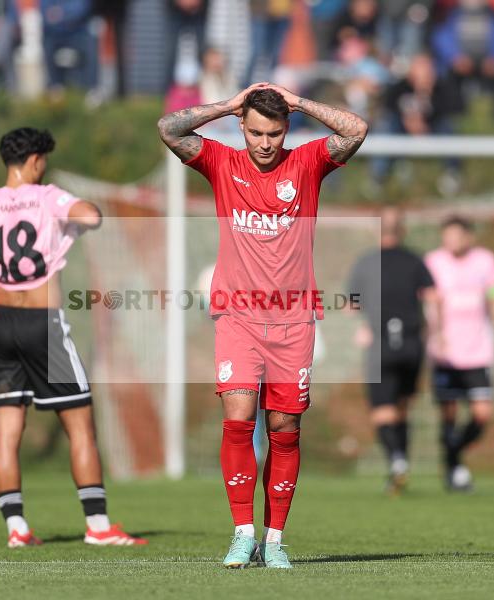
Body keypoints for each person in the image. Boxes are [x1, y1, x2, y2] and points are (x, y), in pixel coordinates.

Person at [158, 83, 367, 568]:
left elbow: (356, 129)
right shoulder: (222, 162)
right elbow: (169, 128)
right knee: (237, 418)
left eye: (274, 132)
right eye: (254, 132)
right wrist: (229, 104)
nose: (265, 143)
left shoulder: (309, 162)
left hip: (295, 319)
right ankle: (241, 533)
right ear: (242, 128)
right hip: (238, 315)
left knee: (285, 426)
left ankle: (273, 542)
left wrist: (299, 101)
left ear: (287, 128)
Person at [0, 127, 146, 548]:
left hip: (0, 325)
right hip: (43, 327)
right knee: (80, 426)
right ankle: (97, 526)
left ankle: (16, 529)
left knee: (6, 430)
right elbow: (90, 216)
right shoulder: (47, 197)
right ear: (36, 161)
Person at [425, 216, 494, 492]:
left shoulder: (486, 262)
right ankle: (454, 469)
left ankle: (452, 457)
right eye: (447, 235)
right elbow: (429, 303)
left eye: (456, 235)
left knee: (482, 414)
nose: (451, 241)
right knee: (449, 414)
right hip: (444, 354)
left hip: (478, 353)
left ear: (469, 237)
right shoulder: (433, 262)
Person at [347, 207, 438, 495]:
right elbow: (434, 298)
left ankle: (397, 461)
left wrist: (365, 320)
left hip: (381, 345)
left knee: (382, 413)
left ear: (377, 230)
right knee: (402, 408)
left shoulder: (366, 263)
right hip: (411, 345)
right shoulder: (415, 260)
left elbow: (351, 306)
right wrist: (434, 331)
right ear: (404, 230)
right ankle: (401, 463)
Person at [369, 54, 462, 197]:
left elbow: (448, 110)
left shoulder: (441, 89)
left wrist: (424, 93)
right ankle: (378, 177)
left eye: (429, 70)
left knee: (448, 127)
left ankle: (451, 174)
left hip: (431, 128)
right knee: (385, 127)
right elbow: (390, 110)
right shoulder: (398, 88)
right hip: (401, 129)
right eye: (421, 70)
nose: (426, 74)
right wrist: (410, 120)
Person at [431, 0, 494, 120]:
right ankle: (456, 114)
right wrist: (455, 57)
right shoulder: (452, 14)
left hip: (489, 62)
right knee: (448, 78)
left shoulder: (493, 14)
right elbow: (442, 36)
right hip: (460, 62)